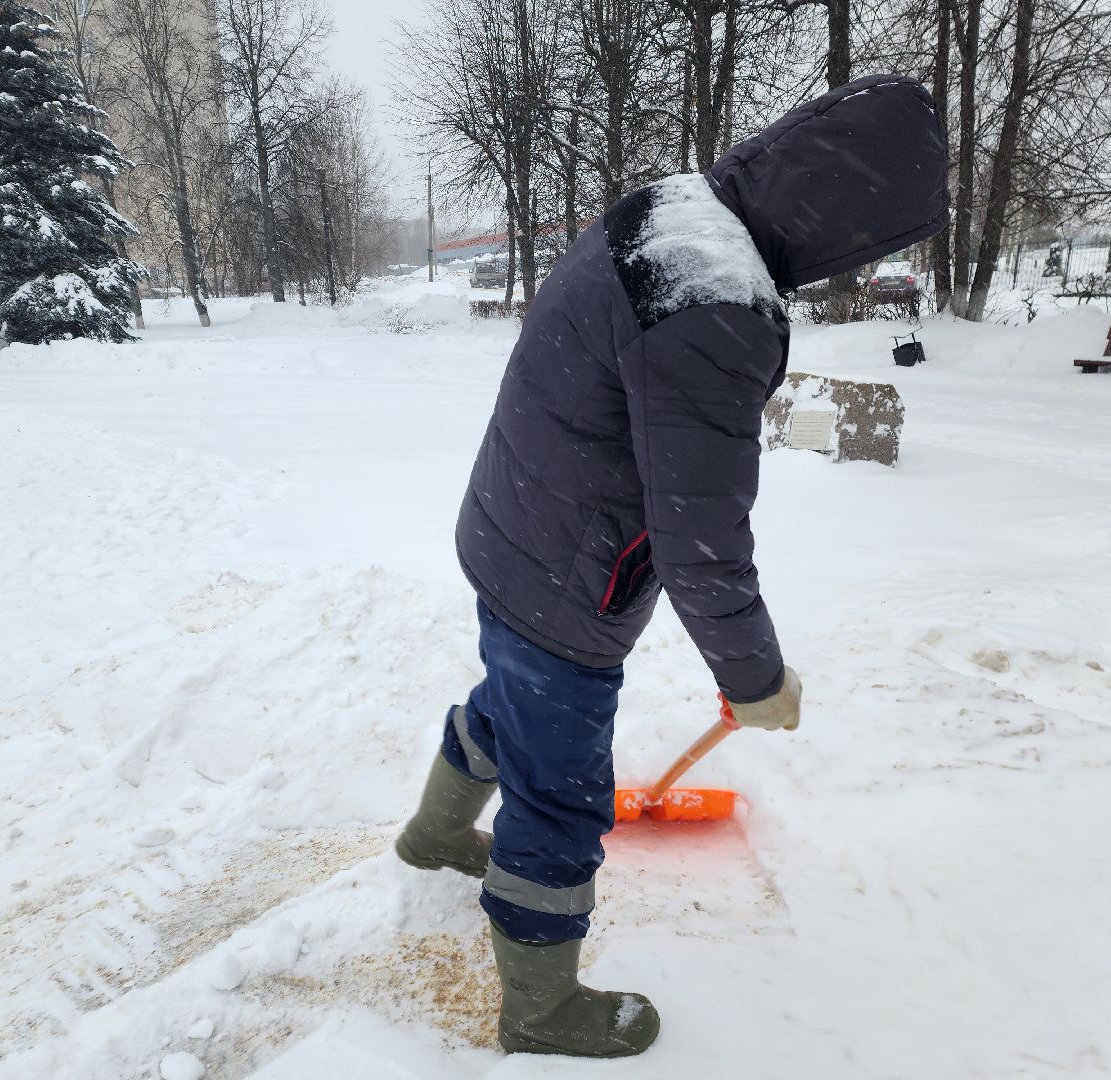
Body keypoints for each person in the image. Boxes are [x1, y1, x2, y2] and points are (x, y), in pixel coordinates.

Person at [397, 73, 950, 1058]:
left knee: (510, 707)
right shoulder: (715, 303)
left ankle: (435, 837)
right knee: (559, 795)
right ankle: (538, 1005)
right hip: (566, 579)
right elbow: (702, 541)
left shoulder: (670, 209)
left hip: (511, 528)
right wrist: (756, 679)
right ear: (845, 217)